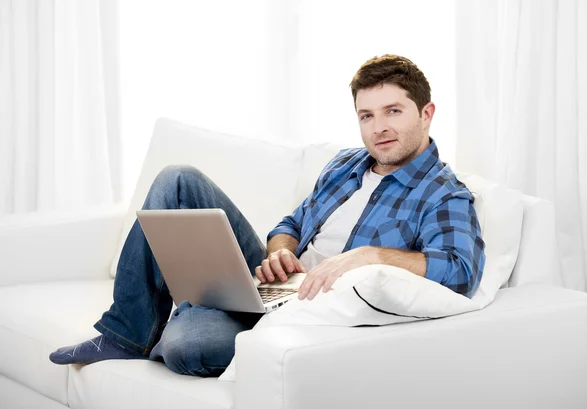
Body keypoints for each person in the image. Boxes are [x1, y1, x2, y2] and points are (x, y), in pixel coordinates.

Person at [49, 54, 485, 377]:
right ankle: (125, 334)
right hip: (278, 287)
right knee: (177, 179)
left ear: (426, 113)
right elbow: (290, 225)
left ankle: (179, 314)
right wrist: (280, 252)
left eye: (394, 111)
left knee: (188, 346)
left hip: (315, 316)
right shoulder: (345, 164)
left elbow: (460, 271)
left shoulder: (445, 195)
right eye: (366, 115)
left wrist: (369, 255)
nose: (379, 128)